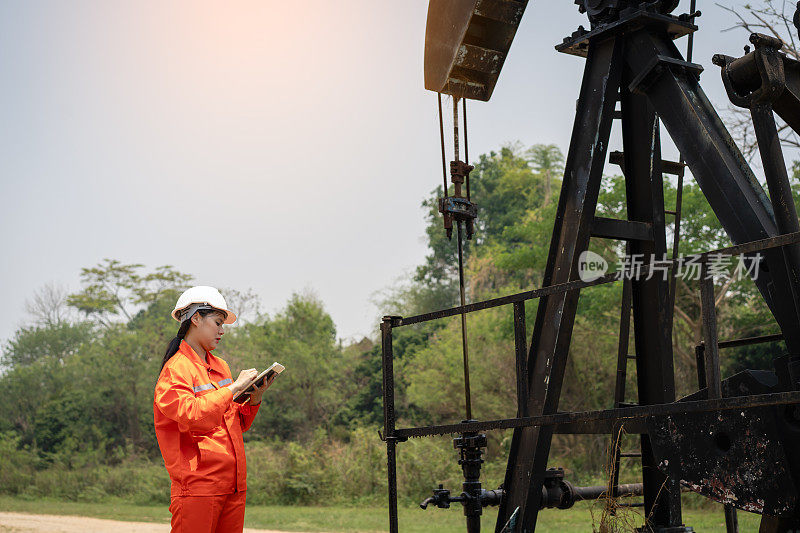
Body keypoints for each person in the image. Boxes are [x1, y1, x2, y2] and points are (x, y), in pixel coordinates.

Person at [154, 286, 275, 533]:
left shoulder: (221, 367)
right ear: (195, 318)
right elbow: (191, 414)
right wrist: (233, 389)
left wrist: (254, 399)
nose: (222, 331)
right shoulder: (175, 370)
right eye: (218, 323)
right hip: (198, 486)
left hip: (232, 485)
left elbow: (233, 425)